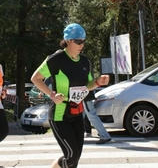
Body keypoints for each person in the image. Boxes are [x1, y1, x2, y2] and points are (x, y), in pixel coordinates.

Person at [31, 23, 110, 168]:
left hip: (77, 114)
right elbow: (35, 78)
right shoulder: (56, 59)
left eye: (83, 41)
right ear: (68, 41)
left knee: (74, 160)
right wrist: (52, 94)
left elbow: (87, 85)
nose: (82, 45)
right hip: (59, 115)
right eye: (78, 41)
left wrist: (98, 82)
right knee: (71, 156)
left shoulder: (85, 61)